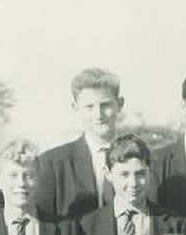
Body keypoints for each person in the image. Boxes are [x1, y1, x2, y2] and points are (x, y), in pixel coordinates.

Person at [35, 68, 123, 223]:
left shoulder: (143, 160)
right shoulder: (51, 164)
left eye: (105, 105)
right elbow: (45, 225)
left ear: (120, 104)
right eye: (89, 107)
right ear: (75, 108)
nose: (98, 115)